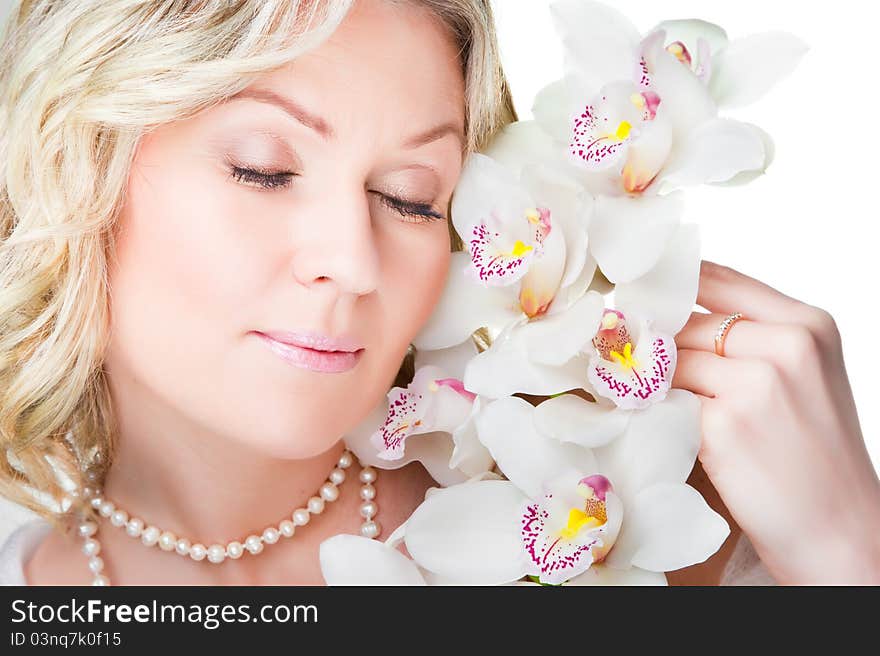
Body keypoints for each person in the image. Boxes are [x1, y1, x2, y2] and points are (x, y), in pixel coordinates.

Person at [0, 0, 876, 587]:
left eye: (410, 198)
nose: (354, 261)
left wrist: (848, 555)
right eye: (264, 170)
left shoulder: (672, 534)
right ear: (75, 165)